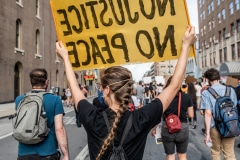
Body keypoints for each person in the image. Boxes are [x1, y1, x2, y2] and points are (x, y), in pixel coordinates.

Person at [55, 26, 196, 160]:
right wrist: (185, 46)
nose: (101, 91)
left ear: (108, 89)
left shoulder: (92, 117)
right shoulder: (142, 118)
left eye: (101, 87)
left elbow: (75, 90)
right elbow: (174, 86)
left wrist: (66, 59)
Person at [15, 68, 69, 160]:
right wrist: (65, 154)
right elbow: (59, 129)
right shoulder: (55, 100)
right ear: (46, 82)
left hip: (24, 153)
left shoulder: (19, 99)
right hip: (48, 153)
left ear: (31, 82)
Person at [152, 77, 194, 160]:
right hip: (182, 127)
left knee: (170, 155)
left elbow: (157, 115)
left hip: (167, 127)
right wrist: (184, 116)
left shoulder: (162, 97)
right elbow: (191, 115)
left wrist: (154, 128)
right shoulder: (186, 97)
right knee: (182, 155)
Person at [200, 68, 237, 160]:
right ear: (219, 77)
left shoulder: (206, 93)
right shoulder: (230, 90)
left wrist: (207, 133)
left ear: (207, 79)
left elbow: (208, 113)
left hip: (214, 126)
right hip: (229, 124)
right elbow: (234, 107)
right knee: (229, 153)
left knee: (216, 152)